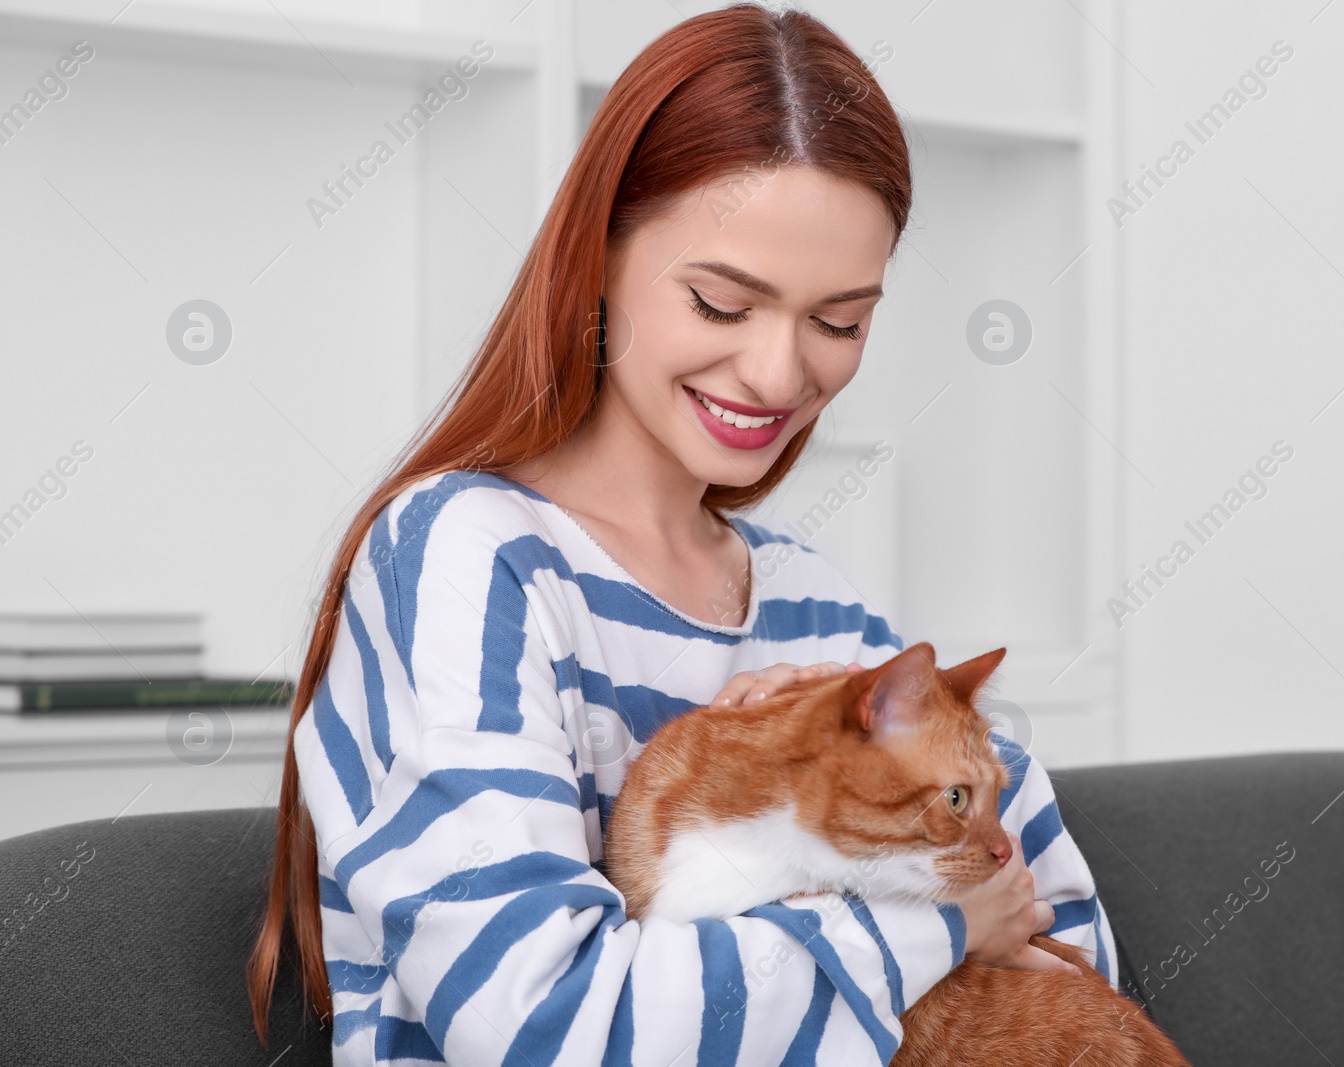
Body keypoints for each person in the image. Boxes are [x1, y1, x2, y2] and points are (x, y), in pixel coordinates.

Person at [246, 5, 1116, 1063]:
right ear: (598, 257)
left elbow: (1066, 956)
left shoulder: (809, 599)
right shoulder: (465, 557)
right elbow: (549, 1022)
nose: (780, 373)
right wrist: (930, 930)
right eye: (720, 302)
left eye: (839, 321)